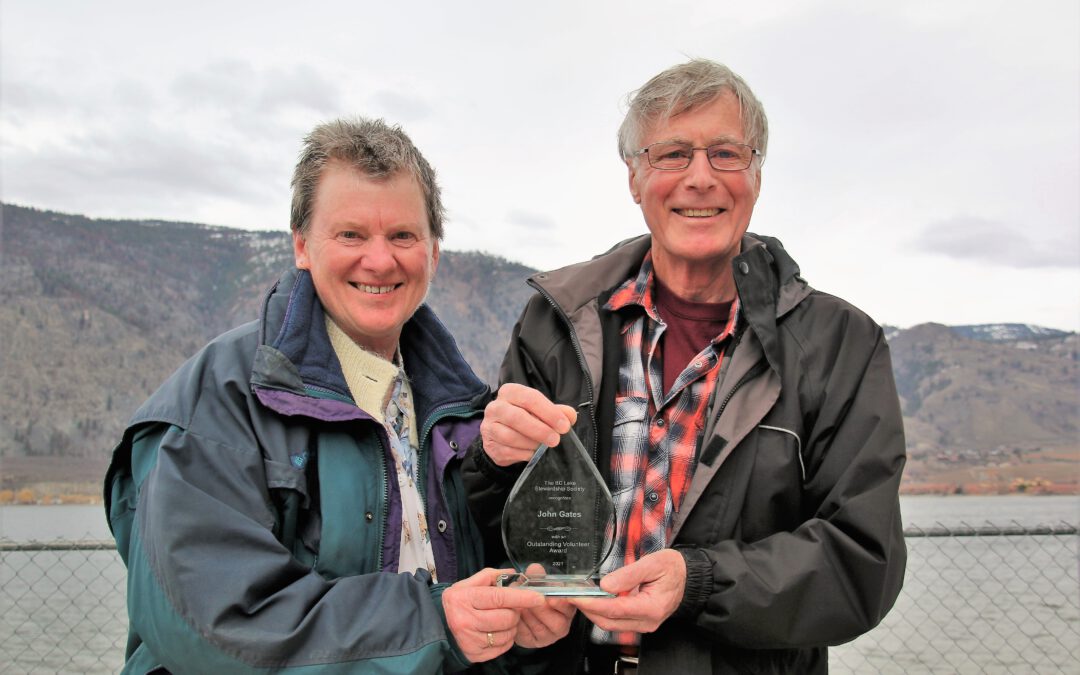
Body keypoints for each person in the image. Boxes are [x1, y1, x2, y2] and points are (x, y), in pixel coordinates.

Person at [465, 60, 907, 674]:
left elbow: (862, 561)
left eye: (725, 153)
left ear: (756, 174)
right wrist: (492, 461)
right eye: (672, 154)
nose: (700, 178)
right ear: (635, 177)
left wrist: (698, 582)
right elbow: (490, 525)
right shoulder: (555, 325)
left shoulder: (841, 346)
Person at [104, 117, 573, 673]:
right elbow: (212, 628)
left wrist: (517, 625)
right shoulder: (214, 403)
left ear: (434, 253)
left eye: (403, 236)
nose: (379, 261)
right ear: (302, 246)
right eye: (350, 235)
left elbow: (466, 619)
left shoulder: (466, 416)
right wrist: (435, 621)